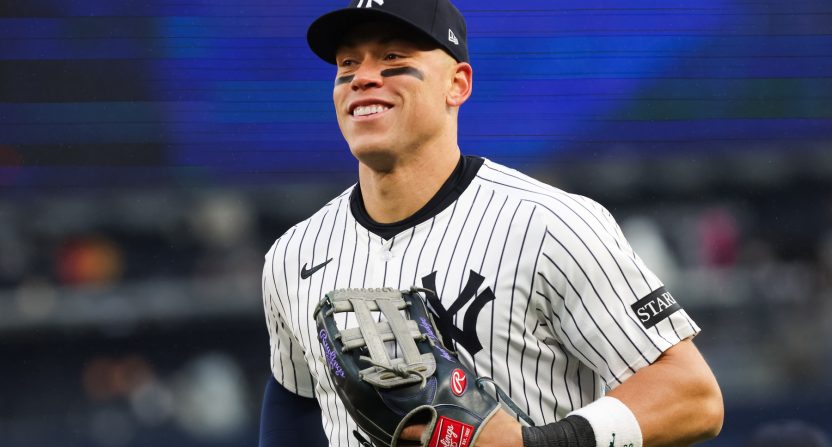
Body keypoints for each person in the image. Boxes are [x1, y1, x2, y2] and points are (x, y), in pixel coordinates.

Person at [260, 0, 724, 446]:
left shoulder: (548, 225)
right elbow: (294, 402)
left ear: (457, 84)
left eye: (393, 57)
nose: (363, 77)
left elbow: (692, 395)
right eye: (347, 63)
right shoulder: (293, 255)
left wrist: (535, 445)